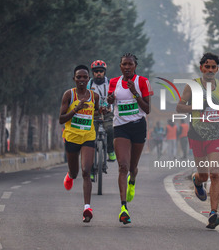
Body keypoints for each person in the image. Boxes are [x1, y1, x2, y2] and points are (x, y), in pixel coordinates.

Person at [176, 52, 219, 229]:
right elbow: (179, 107)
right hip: (197, 135)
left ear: (217, 69)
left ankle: (213, 213)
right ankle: (197, 180)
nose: (210, 70)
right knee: (203, 175)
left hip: (217, 135)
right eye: (207, 67)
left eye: (213, 67)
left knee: (215, 173)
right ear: (201, 68)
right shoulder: (192, 86)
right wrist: (196, 107)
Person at [107, 53, 153, 224]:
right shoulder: (113, 82)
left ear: (135, 66)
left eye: (130, 64)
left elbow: (147, 109)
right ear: (120, 67)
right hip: (120, 127)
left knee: (133, 168)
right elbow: (110, 101)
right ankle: (123, 208)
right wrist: (110, 100)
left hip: (138, 126)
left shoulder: (142, 82)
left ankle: (132, 180)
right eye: (124, 64)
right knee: (123, 166)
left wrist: (134, 92)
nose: (127, 67)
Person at [59, 65, 100, 223]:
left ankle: (87, 208)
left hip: (88, 136)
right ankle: (70, 175)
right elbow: (61, 119)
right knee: (76, 172)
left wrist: (100, 111)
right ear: (74, 79)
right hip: (71, 137)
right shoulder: (69, 95)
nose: (82, 80)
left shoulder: (94, 96)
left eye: (85, 77)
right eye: (79, 77)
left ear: (88, 79)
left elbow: (94, 112)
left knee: (86, 171)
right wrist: (76, 109)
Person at [88, 60, 116, 166]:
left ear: (104, 72)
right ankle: (90, 169)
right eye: (96, 71)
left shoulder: (110, 83)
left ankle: (110, 150)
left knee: (110, 129)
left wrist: (110, 105)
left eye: (101, 71)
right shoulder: (89, 84)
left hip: (108, 112)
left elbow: (115, 97)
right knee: (90, 137)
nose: (98, 73)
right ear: (93, 73)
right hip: (93, 113)